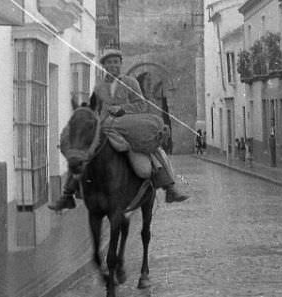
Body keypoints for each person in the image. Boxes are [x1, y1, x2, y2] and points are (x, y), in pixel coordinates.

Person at [49, 48, 188, 212]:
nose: (113, 65)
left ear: (120, 64)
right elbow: (95, 109)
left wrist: (122, 109)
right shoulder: (99, 87)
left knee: (150, 152)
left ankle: (169, 187)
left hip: (128, 126)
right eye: (109, 62)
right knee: (82, 153)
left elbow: (141, 104)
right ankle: (67, 195)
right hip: (105, 127)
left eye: (116, 62)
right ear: (104, 66)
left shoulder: (131, 82)